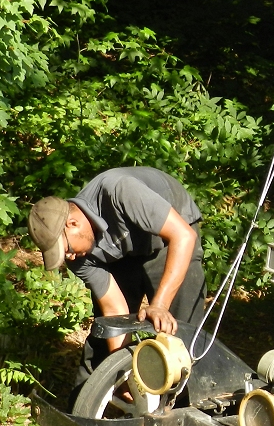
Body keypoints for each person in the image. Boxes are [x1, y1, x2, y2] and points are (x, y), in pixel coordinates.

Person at [27, 166, 207, 390]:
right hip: (122, 252)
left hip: (169, 239)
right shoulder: (79, 256)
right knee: (104, 335)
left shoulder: (119, 191)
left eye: (67, 249)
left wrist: (159, 305)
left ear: (72, 224)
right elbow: (114, 312)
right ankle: (84, 417)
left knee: (181, 332)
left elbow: (183, 236)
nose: (70, 257)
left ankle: (182, 409)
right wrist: (122, 375)